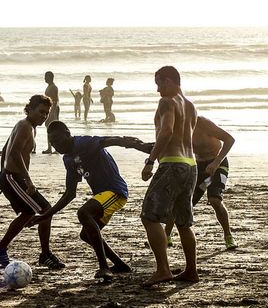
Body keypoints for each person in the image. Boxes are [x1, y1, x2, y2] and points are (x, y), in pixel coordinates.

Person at [31, 121, 150, 281]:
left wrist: (141, 147)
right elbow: (69, 193)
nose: (56, 146)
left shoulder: (84, 143)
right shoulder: (68, 159)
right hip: (101, 196)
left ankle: (104, 267)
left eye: (58, 140)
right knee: (86, 235)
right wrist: (45, 216)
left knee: (83, 213)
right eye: (52, 143)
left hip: (116, 191)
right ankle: (120, 265)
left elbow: (111, 140)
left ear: (68, 134)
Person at [0, 95, 66, 270]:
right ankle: (44, 255)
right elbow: (14, 152)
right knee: (45, 209)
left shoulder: (27, 125)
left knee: (29, 212)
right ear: (29, 109)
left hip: (10, 177)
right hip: (14, 178)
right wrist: (25, 180)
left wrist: (1, 174)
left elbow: (4, 149)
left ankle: (0, 248)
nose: (44, 116)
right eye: (40, 112)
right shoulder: (25, 127)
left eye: (46, 113)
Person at [140, 66, 199, 287]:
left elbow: (166, 131)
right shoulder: (191, 106)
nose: (157, 90)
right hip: (191, 166)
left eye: (159, 83)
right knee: (183, 222)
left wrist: (150, 161)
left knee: (149, 216)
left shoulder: (167, 102)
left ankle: (163, 270)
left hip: (172, 165)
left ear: (170, 80)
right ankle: (191, 271)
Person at [164, 116, 238, 250]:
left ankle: (228, 236)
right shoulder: (177, 128)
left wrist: (216, 163)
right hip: (198, 166)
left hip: (218, 163)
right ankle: (166, 236)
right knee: (181, 202)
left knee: (215, 200)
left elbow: (230, 139)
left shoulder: (203, 123)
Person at [42, 71, 59, 154]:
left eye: (46, 77)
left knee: (52, 130)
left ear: (50, 77)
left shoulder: (53, 87)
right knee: (49, 129)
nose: (44, 78)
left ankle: (54, 148)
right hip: (50, 109)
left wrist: (52, 112)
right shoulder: (49, 86)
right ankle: (50, 148)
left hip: (53, 109)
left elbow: (55, 100)